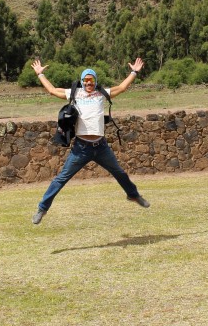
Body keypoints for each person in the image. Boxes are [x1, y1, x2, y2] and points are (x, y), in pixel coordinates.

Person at [31, 57, 149, 225]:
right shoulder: (74, 93)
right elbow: (52, 90)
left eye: (91, 80)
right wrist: (40, 74)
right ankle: (42, 209)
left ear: (95, 81)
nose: (89, 83)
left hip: (101, 147)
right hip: (81, 148)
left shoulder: (102, 94)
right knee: (61, 178)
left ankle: (133, 195)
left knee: (120, 173)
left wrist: (134, 72)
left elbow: (122, 87)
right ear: (82, 81)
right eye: (86, 81)